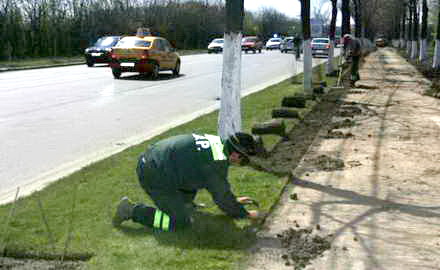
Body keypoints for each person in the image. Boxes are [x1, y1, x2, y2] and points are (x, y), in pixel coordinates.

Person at [112, 132, 263, 232]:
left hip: (157, 160)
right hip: (154, 174)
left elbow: (210, 180)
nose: (243, 161)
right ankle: (132, 211)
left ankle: (183, 204)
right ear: (236, 154)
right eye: (244, 158)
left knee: (196, 177)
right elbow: (221, 196)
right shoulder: (216, 162)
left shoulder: (217, 143)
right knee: (180, 223)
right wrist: (244, 213)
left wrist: (233, 200)